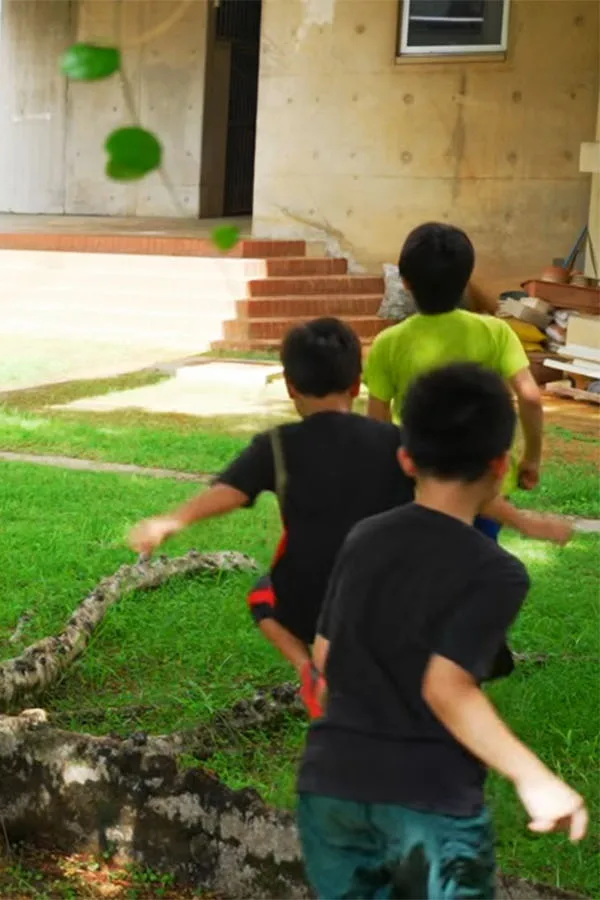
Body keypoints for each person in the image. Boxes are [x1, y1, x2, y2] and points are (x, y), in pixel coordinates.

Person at [128, 319, 570, 716]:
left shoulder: (277, 446)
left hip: (309, 605)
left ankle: (307, 667)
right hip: (387, 601)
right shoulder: (395, 442)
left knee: (262, 597)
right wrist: (529, 523)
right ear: (357, 385)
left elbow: (227, 492)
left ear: (289, 386)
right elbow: (458, 486)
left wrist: (173, 521)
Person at [297, 363, 588, 899]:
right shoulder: (495, 571)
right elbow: (446, 687)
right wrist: (533, 777)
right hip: (430, 805)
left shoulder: (364, 537)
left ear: (406, 458)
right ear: (500, 466)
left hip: (330, 790)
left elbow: (324, 655)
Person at [364, 223, 546, 540]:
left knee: (420, 563)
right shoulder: (496, 332)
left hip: (420, 479)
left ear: (405, 283)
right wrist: (531, 457)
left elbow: (377, 425)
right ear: (466, 281)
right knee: (477, 557)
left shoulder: (388, 343)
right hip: (483, 478)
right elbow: (530, 397)